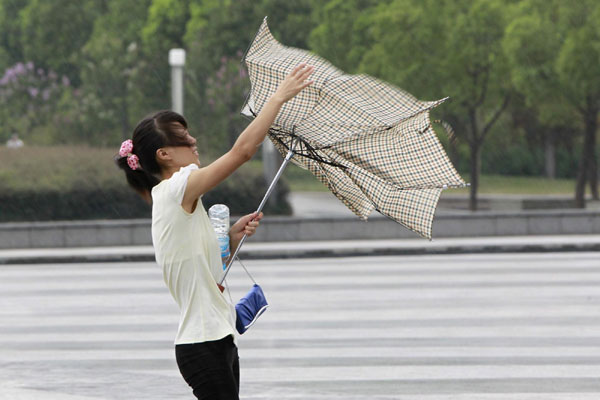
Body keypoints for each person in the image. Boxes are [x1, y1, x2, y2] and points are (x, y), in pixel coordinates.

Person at [116, 63, 314, 399]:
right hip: (202, 344)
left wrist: (233, 237)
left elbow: (204, 267)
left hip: (218, 339)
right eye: (183, 139)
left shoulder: (182, 198)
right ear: (164, 154)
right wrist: (277, 98)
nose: (193, 141)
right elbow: (242, 153)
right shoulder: (176, 188)